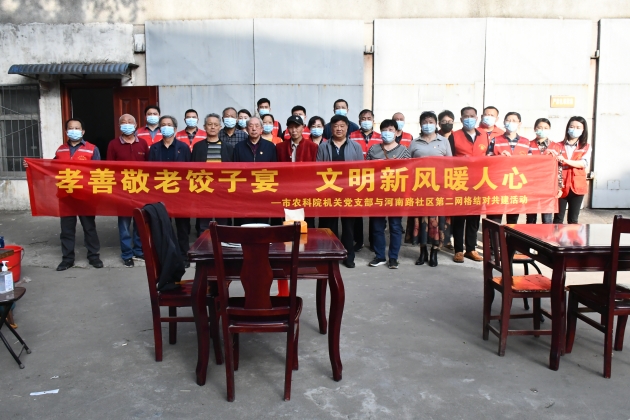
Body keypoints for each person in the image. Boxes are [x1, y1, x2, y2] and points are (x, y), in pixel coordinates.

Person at [23, 118, 103, 271]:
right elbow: (51, 168)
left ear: (83, 131)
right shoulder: (60, 150)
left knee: (89, 228)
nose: (74, 131)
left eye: (77, 128)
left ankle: (94, 256)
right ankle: (67, 259)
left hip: (85, 195)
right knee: (67, 229)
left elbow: (98, 172)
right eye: (71, 128)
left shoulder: (92, 149)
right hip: (65, 195)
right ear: (66, 131)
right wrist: (32, 166)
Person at [316, 115, 363, 268]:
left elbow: (361, 170)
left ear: (347, 127)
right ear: (331, 128)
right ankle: (331, 255)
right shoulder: (323, 146)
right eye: (335, 126)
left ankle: (348, 256)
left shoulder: (356, 147)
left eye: (342, 126)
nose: (339, 129)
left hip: (349, 192)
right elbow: (317, 169)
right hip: (329, 191)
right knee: (330, 226)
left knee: (348, 226)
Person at [407, 111, 453, 267]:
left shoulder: (444, 141)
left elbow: (450, 165)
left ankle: (434, 251)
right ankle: (423, 252)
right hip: (419, 188)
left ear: (436, 124)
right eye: (425, 122)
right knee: (421, 220)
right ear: (420, 125)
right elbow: (407, 165)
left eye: (431, 122)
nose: (428, 125)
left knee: (436, 221)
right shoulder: (414, 143)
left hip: (438, 188)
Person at [148, 115, 193, 267]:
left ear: (174, 128)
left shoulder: (183, 147)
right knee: (163, 226)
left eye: (169, 124)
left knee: (182, 227)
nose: (166, 127)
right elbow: (150, 172)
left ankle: (184, 256)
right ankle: (167, 257)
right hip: (161, 192)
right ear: (160, 129)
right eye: (163, 125)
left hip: (180, 193)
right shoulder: (154, 148)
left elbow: (189, 170)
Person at [106, 114, 149, 267]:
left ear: (136, 125)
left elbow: (150, 167)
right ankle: (127, 254)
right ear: (119, 126)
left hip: (140, 189)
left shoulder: (142, 143)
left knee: (139, 221)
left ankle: (139, 250)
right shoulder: (113, 144)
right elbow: (109, 168)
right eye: (123, 122)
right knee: (124, 224)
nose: (127, 124)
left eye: (130, 121)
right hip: (122, 191)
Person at [366, 119, 409, 269]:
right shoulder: (373, 150)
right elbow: (366, 170)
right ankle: (379, 256)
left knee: (395, 227)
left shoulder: (404, 150)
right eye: (384, 130)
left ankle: (393, 258)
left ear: (397, 132)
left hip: (396, 194)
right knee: (377, 227)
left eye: (390, 130)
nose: (387, 133)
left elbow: (408, 172)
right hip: (377, 194)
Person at [448, 106, 487, 263]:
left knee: (474, 218)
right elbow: (448, 159)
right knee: (459, 218)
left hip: (479, 182)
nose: (469, 119)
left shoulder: (484, 135)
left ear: (477, 118)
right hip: (460, 182)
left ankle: (471, 249)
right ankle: (458, 250)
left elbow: (489, 156)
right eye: (466, 116)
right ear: (461, 119)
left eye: (472, 116)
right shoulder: (454, 136)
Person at [191, 113, 234, 233]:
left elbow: (233, 170)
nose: (213, 127)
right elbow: (192, 169)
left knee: (223, 222)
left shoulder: (228, 147)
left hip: (223, 190)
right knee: (204, 224)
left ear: (220, 127)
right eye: (210, 124)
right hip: (204, 189)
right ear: (204, 127)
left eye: (215, 124)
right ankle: (205, 244)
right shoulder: (198, 147)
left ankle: (223, 243)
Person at [486, 111, 531, 225]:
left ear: (519, 124)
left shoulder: (526, 142)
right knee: (494, 219)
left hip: (516, 185)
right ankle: (494, 237)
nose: (511, 123)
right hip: (498, 185)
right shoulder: (495, 140)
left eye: (514, 121)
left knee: (512, 220)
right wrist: (499, 157)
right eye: (508, 120)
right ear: (504, 122)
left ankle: (509, 237)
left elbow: (531, 163)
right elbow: (487, 160)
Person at [232, 117, 278, 225]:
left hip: (263, 191)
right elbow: (234, 170)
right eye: (251, 125)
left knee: (262, 224)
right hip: (244, 193)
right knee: (245, 224)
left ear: (261, 128)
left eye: (257, 126)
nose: (254, 128)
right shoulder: (238, 147)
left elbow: (275, 170)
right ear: (247, 128)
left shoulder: (270, 146)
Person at [349, 109, 382, 251]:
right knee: (357, 210)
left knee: (374, 210)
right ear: (359, 121)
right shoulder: (351, 136)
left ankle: (374, 241)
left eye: (369, 118)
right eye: (363, 118)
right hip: (356, 177)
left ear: (373, 120)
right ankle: (358, 240)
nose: (366, 121)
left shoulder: (380, 137)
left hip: (375, 179)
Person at [553, 116, 591, 224]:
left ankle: (573, 236)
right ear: (567, 128)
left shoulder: (586, 146)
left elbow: (583, 163)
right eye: (572, 126)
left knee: (573, 220)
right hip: (561, 186)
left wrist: (565, 160)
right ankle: (556, 236)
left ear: (583, 130)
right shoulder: (557, 145)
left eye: (578, 127)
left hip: (577, 186)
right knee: (558, 219)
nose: (574, 129)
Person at [526, 118, 563, 224]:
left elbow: (559, 168)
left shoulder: (556, 147)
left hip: (548, 186)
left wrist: (559, 187)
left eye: (546, 128)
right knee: (531, 218)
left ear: (549, 129)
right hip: (532, 185)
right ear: (535, 129)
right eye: (540, 127)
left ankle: (547, 235)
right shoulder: (528, 145)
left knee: (547, 218)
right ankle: (530, 235)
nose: (542, 130)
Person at [438, 110, 455, 250]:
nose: (447, 124)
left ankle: (448, 238)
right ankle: (439, 238)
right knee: (440, 210)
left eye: (450, 121)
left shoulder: (457, 137)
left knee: (451, 210)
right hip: (438, 179)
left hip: (455, 178)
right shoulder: (435, 137)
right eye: (444, 121)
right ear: (439, 123)